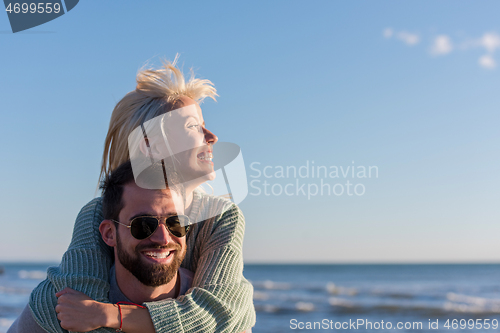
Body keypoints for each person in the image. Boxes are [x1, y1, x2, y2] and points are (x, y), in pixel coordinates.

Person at [12, 58, 255, 333]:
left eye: (177, 224)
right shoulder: (98, 212)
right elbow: (78, 313)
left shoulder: (221, 217)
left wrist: (112, 315)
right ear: (150, 145)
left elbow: (217, 314)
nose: (211, 136)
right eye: (192, 127)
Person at [9, 161, 194, 332]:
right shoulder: (62, 306)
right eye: (143, 224)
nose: (163, 238)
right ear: (109, 234)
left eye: (176, 222)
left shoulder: (204, 304)